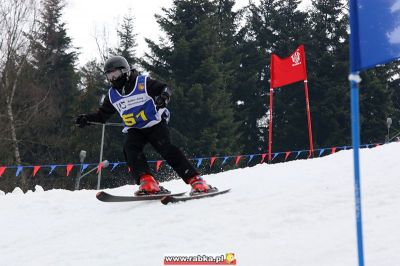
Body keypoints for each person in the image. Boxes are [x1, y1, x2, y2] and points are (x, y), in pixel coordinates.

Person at [76, 55, 216, 196]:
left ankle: (195, 180)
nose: (112, 78)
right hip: (135, 129)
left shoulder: (142, 83)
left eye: (115, 74)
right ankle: (148, 181)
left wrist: (163, 98)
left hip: (154, 124)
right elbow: (102, 116)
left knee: (166, 149)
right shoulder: (112, 95)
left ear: (125, 71)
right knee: (130, 149)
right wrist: (86, 119)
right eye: (109, 75)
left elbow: (165, 88)